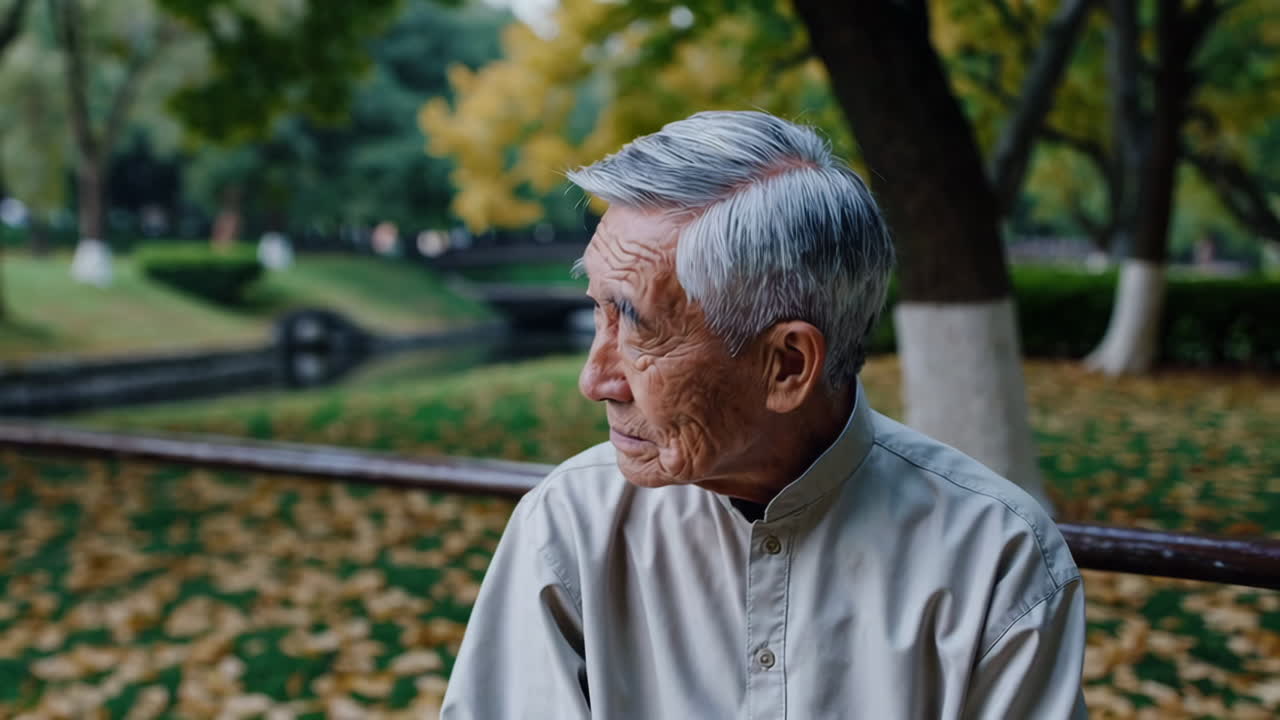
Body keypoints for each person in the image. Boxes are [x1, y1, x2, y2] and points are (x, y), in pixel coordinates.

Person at [441, 110, 1087, 719]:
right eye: (598, 311)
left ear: (787, 366)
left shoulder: (995, 562)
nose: (595, 380)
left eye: (639, 329)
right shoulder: (569, 528)